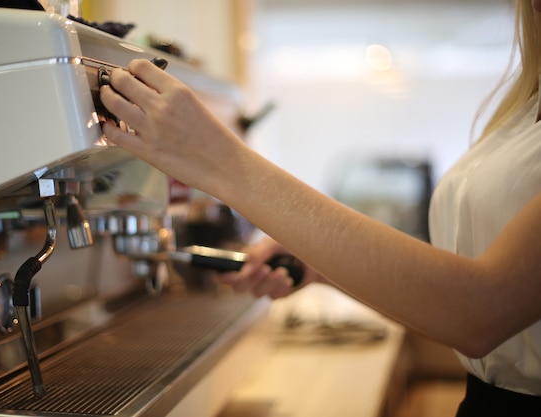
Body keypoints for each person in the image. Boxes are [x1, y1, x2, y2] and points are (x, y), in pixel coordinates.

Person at [99, 1, 541, 415]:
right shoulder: (524, 108)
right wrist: (321, 265)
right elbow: (452, 309)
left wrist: (223, 161)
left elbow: (479, 311)